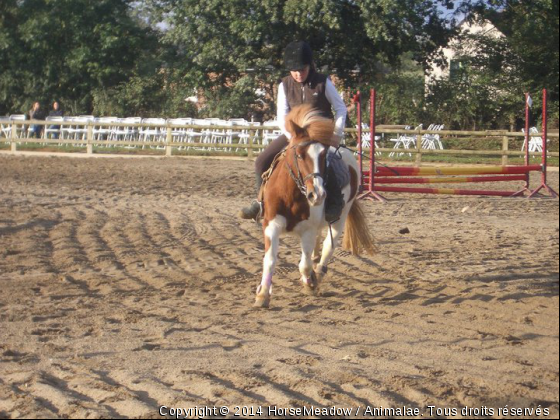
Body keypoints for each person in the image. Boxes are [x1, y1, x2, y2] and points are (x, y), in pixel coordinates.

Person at [239, 41, 347, 221]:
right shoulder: (284, 85)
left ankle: (336, 202)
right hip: (294, 134)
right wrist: (293, 137)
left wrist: (337, 133)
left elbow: (341, 108)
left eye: (302, 70)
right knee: (261, 161)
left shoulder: (323, 82)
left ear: (309, 65)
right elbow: (282, 116)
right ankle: (260, 203)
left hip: (318, 136)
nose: (298, 74)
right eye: (294, 70)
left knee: (324, 162)